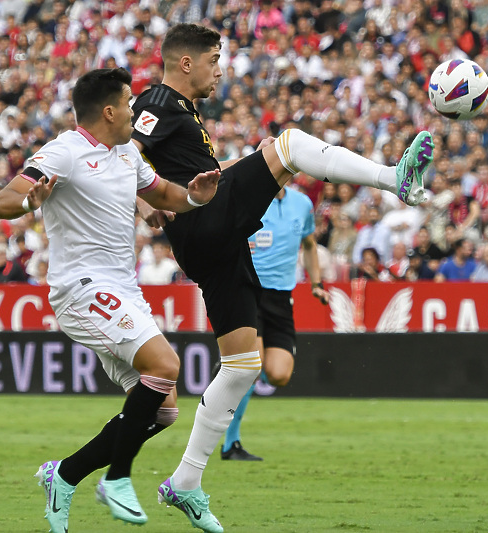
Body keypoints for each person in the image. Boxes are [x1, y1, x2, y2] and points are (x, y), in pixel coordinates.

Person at [130, 23, 433, 532]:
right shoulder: (158, 100)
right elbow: (121, 154)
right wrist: (147, 203)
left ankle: (184, 481)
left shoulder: (185, 113)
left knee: (245, 364)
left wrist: (164, 197)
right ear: (186, 62)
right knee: (288, 146)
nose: (220, 69)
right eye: (214, 59)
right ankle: (391, 179)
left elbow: (172, 167)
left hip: (214, 243)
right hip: (203, 223)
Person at [0, 68, 220, 533]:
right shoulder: (64, 152)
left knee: (164, 409)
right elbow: (2, 201)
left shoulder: (124, 155)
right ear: (109, 110)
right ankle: (117, 478)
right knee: (166, 365)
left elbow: (162, 192)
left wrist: (192, 198)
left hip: (123, 289)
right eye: (130, 102)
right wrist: (31, 201)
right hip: (81, 289)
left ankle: (66, 474)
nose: (136, 109)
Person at [221, 186, 329, 461]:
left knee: (279, 375)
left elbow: (309, 244)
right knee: (250, 368)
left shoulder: (302, 204)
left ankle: (229, 372)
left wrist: (316, 283)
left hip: (281, 298)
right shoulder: (249, 197)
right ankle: (230, 444)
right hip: (249, 291)